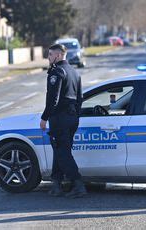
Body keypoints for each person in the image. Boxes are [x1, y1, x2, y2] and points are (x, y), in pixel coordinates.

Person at [40, 43, 86, 198]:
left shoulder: (57, 72)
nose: (48, 58)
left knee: (63, 153)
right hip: (72, 118)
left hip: (60, 118)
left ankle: (78, 185)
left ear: (58, 55)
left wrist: (44, 118)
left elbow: (53, 99)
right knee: (60, 151)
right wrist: (75, 115)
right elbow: (80, 98)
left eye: (50, 55)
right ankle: (57, 184)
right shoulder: (74, 72)